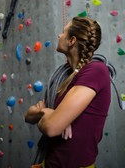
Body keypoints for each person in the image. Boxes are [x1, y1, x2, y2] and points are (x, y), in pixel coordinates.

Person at [25, 16, 112, 168]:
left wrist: (52, 115)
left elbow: (51, 128)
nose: (59, 35)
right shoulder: (66, 78)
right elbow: (29, 116)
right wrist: (50, 112)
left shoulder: (96, 71)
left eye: (63, 32)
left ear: (71, 40)